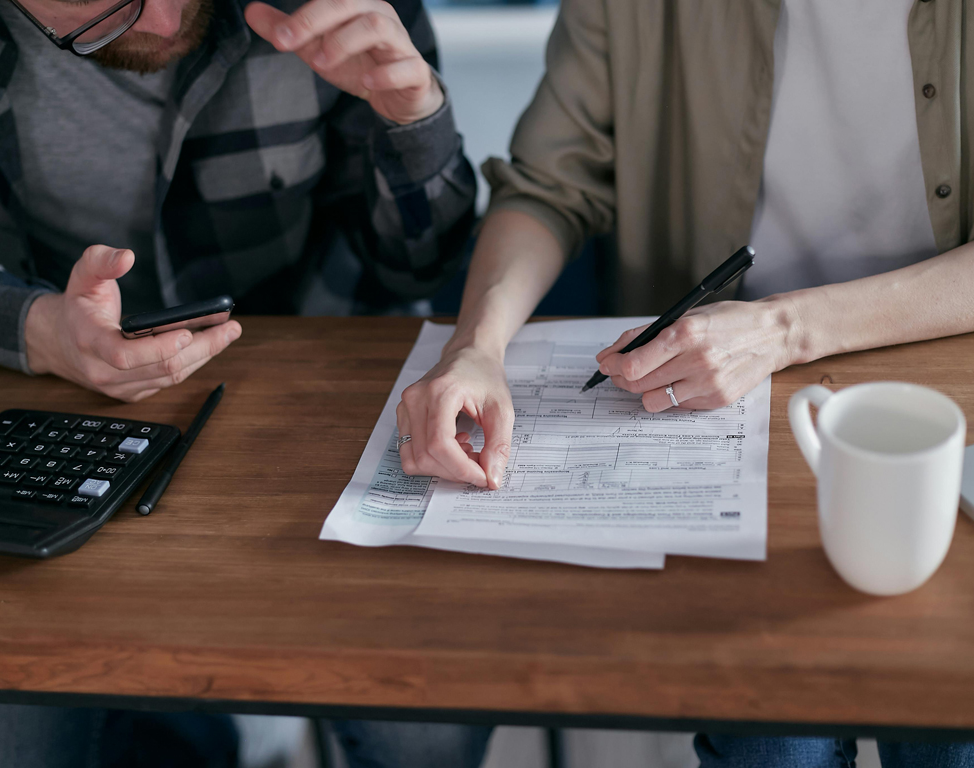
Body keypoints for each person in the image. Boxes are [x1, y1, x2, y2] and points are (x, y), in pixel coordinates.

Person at [397, 0, 974, 765]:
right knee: (772, 739)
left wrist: (784, 329)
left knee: (949, 711)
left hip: (941, 376)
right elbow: (546, 186)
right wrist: (476, 345)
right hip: (711, 399)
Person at [0, 0, 483, 762]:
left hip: (311, 408)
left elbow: (420, 268)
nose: (168, 21)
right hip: (45, 411)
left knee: (427, 724)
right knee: (6, 738)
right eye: (107, 8)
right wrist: (35, 327)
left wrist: (414, 120)